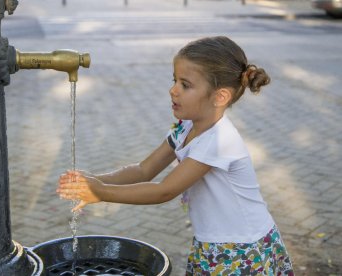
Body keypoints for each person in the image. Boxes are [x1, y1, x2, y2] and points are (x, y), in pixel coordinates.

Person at [57, 36, 294, 275]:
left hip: (243, 248)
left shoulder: (220, 140)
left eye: (185, 85)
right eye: (174, 80)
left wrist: (101, 192)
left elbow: (165, 190)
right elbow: (144, 170)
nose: (173, 90)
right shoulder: (186, 128)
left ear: (220, 96)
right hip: (214, 243)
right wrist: (96, 180)